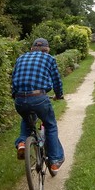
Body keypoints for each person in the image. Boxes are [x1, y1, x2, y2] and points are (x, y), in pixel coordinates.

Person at [11, 37, 65, 173]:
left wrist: (16, 96)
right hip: (39, 98)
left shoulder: (20, 58)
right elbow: (56, 80)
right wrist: (59, 95)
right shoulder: (49, 59)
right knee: (50, 125)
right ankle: (54, 160)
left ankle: (22, 143)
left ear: (31, 49)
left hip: (20, 99)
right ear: (47, 50)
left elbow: (13, 79)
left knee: (26, 120)